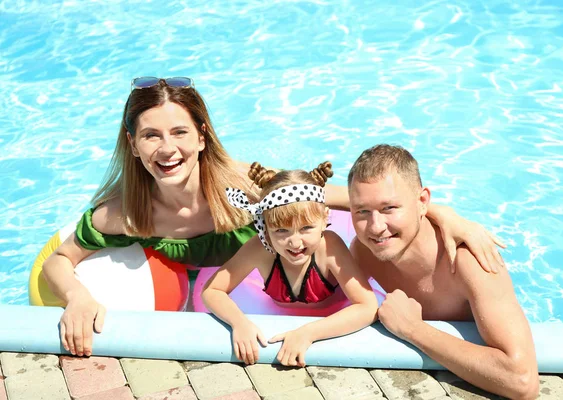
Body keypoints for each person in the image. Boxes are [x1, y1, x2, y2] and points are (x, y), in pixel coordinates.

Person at [40, 76, 503, 358]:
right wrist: (78, 298)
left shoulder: (238, 184)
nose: (167, 149)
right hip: (208, 290)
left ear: (201, 136)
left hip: (276, 273)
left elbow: (352, 200)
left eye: (180, 131)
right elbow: (59, 260)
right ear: (132, 141)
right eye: (151, 136)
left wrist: (441, 213)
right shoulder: (127, 213)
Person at [348, 144, 539, 399]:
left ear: (422, 201)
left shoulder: (468, 262)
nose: (375, 227)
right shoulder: (364, 252)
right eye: (362, 211)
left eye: (389, 208)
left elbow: (522, 381)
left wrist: (412, 329)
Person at [202, 162, 378, 366]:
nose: (295, 242)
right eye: (281, 231)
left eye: (306, 228)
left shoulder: (329, 247)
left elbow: (367, 307)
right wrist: (239, 323)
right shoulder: (259, 248)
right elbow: (212, 290)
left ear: (324, 219)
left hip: (333, 312)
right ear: (265, 228)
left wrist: (308, 333)